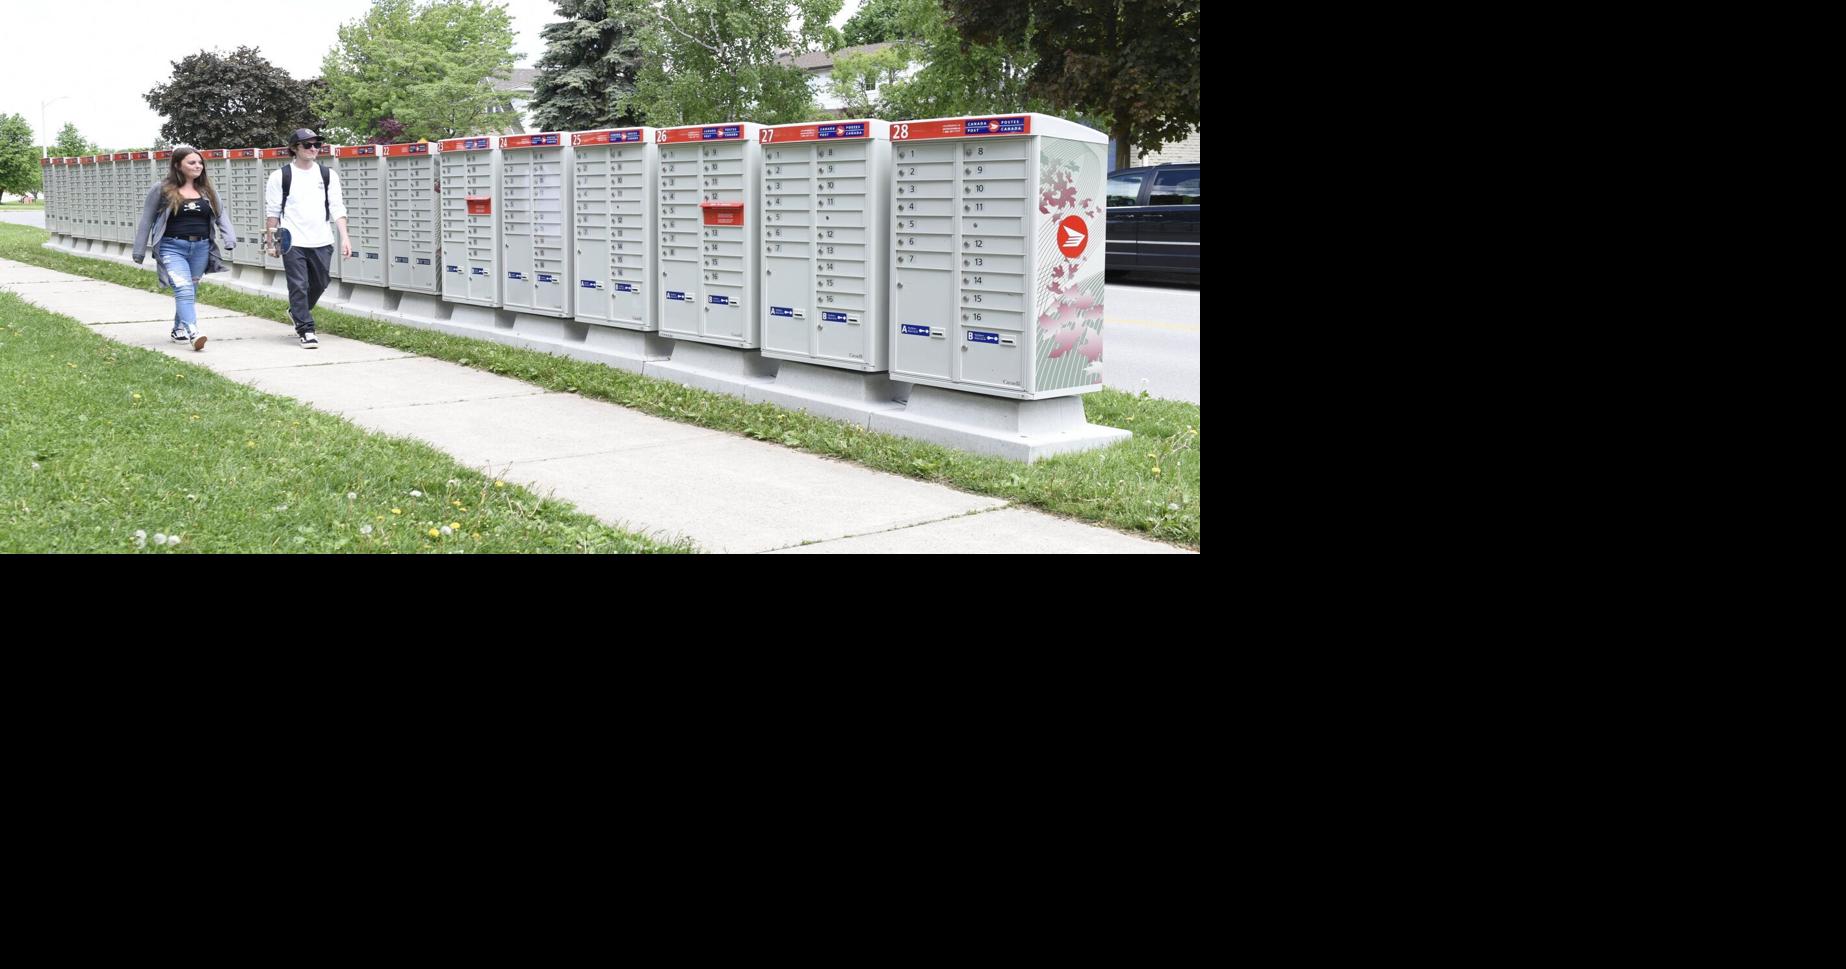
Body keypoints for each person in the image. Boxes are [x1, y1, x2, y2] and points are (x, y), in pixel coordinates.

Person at [131, 145, 236, 351]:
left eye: (199, 162)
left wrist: (229, 238)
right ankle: (193, 332)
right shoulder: (162, 189)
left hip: (201, 247)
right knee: (183, 288)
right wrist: (139, 251)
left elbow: (221, 214)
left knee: (190, 289)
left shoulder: (207, 190)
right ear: (178, 165)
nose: (197, 166)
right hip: (172, 247)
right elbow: (147, 220)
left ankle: (178, 327)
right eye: (192, 162)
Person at [265, 128, 351, 348]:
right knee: (298, 285)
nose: (313, 149)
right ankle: (306, 329)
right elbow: (273, 212)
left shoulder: (328, 175)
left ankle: (296, 311)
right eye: (307, 145)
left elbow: (337, 207)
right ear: (294, 148)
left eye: (316, 145)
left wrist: (345, 237)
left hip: (322, 240)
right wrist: (271, 242)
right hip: (292, 241)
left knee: (321, 283)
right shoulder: (280, 176)